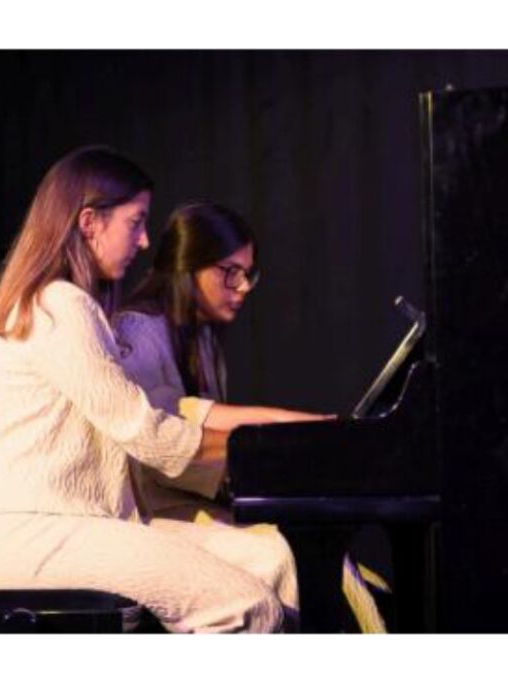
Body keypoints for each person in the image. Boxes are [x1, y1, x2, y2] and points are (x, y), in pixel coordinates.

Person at [0, 146, 296, 633]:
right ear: (89, 222)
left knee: (274, 562)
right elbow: (144, 431)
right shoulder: (58, 305)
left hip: (97, 523)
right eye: (136, 221)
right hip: (44, 534)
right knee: (246, 608)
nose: (146, 240)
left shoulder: (73, 306)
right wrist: (263, 447)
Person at [114, 202, 390, 633]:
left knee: (327, 559)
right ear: (189, 265)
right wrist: (305, 427)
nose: (243, 287)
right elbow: (176, 433)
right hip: (150, 517)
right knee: (283, 556)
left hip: (188, 506)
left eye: (248, 274)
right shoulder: (137, 330)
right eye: (230, 272)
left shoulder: (202, 339)